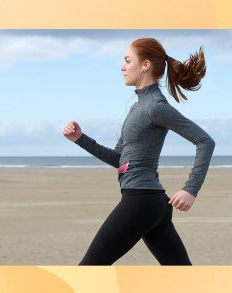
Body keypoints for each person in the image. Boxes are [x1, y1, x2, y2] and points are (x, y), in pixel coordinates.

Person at [63, 37, 215, 265]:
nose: (122, 67)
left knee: (89, 268)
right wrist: (80, 139)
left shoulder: (155, 106)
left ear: (145, 65)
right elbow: (119, 159)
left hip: (141, 200)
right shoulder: (138, 107)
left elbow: (205, 141)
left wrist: (190, 189)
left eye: (127, 60)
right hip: (151, 203)